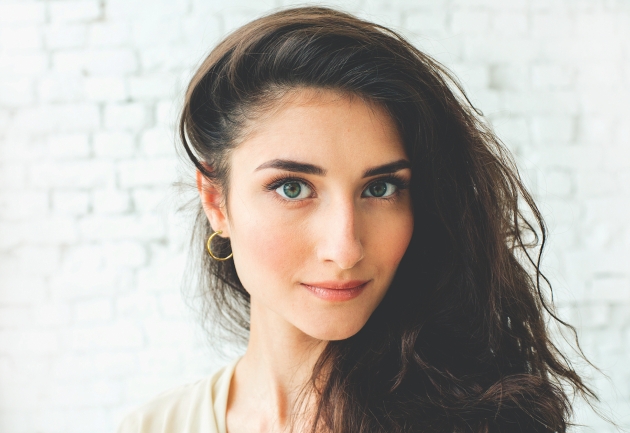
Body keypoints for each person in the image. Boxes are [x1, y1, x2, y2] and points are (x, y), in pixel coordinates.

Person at [117, 6, 595, 433]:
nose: (345, 248)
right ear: (217, 202)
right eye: (292, 188)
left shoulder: (480, 422)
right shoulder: (154, 426)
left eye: (380, 188)